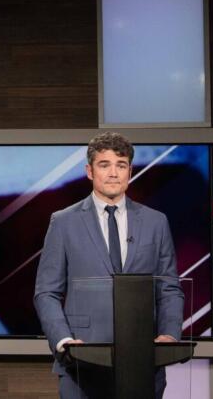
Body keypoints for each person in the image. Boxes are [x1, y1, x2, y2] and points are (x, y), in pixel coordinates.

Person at [33, 132, 184, 399]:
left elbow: (169, 288)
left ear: (130, 171)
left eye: (121, 165)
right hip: (82, 362)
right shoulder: (63, 222)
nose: (113, 173)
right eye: (104, 165)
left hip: (142, 361)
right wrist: (63, 341)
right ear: (89, 171)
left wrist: (169, 335)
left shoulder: (156, 222)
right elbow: (46, 292)